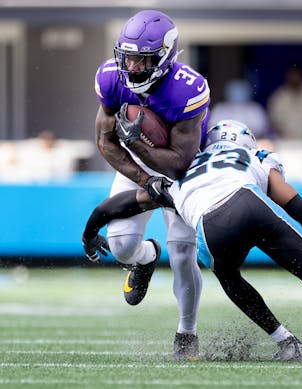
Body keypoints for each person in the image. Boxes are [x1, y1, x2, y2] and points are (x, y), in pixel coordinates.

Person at [83, 119, 302, 364]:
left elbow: (116, 205)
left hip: (212, 225)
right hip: (251, 204)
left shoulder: (179, 174)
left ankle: (285, 341)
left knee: (229, 277)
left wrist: (89, 232)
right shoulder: (255, 158)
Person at [87, 9, 211, 361]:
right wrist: (144, 180)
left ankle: (186, 334)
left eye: (142, 61)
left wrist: (139, 142)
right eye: (127, 58)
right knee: (122, 245)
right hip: (139, 165)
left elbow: (181, 161)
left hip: (184, 167)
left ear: (165, 58)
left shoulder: (188, 88)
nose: (132, 67)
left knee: (184, 253)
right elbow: (106, 142)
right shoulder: (112, 78)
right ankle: (146, 258)